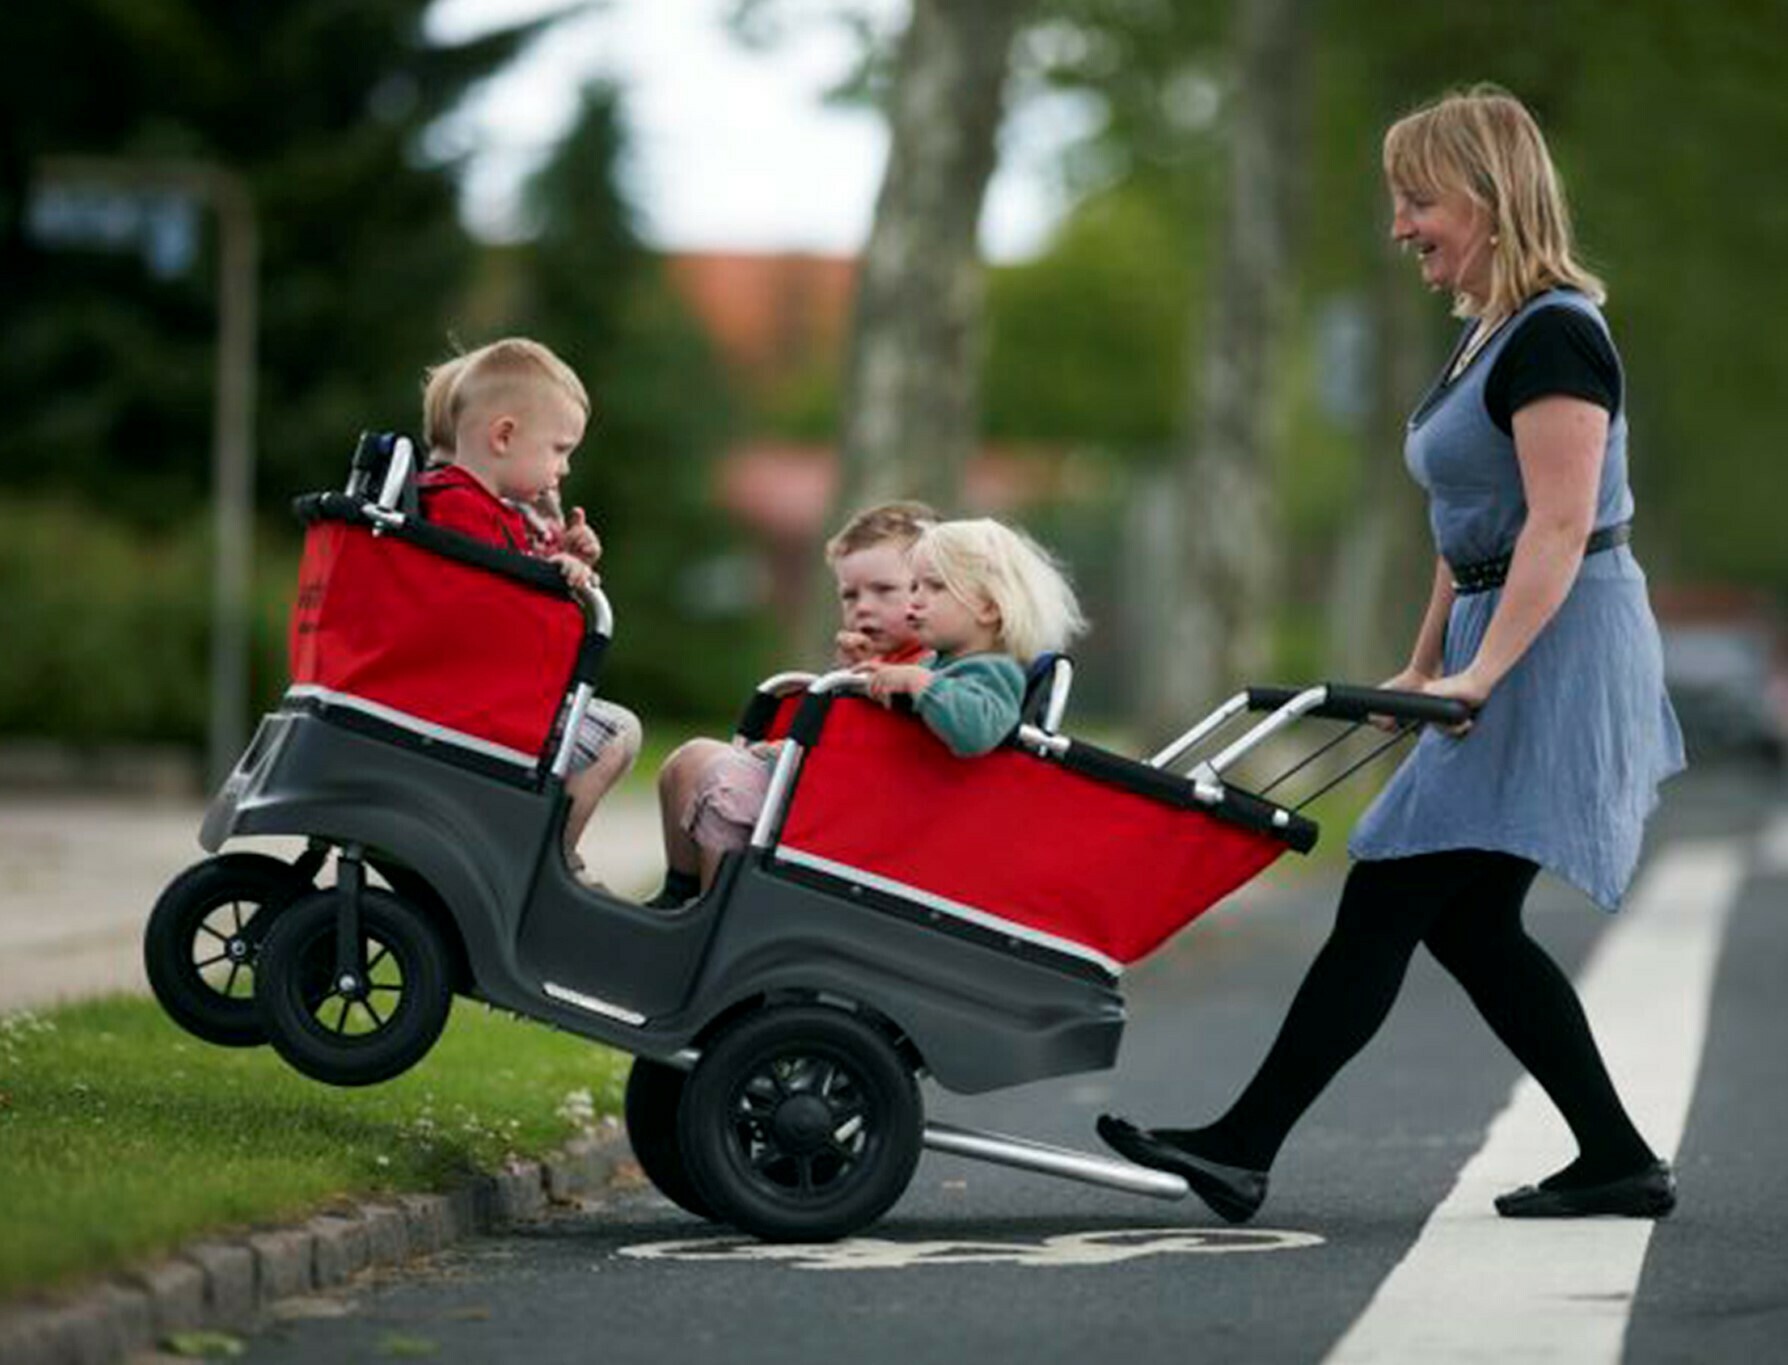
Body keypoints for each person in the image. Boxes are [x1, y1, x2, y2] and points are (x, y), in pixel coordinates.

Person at [1098, 84, 1685, 1224]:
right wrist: (1425, 669)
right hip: (1502, 634)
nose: (1401, 226)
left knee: (1390, 894)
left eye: (1419, 200)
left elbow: (1558, 529)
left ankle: (1242, 1144)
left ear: (1489, 195)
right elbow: (1467, 526)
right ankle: (1616, 1156)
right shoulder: (1485, 336)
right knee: (1464, 918)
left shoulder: (1558, 331)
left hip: (1556, 644)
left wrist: (1482, 674)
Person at [416, 338, 643, 881]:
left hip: (481, 695)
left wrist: (560, 555)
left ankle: (544, 850)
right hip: (477, 702)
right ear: (504, 436)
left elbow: (501, 572)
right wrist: (553, 574)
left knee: (617, 729)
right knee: (618, 734)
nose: (563, 469)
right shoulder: (459, 506)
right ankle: (546, 857)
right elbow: (493, 602)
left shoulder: (477, 505)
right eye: (560, 450)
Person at [645, 501, 938, 908]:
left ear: (931, 592)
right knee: (687, 760)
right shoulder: (870, 662)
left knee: (724, 777)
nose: (863, 607)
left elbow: (877, 754)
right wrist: (852, 675)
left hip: (852, 821)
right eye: (849, 595)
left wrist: (794, 744)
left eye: (884, 590)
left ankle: (716, 913)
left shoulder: (929, 671)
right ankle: (679, 897)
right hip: (820, 796)